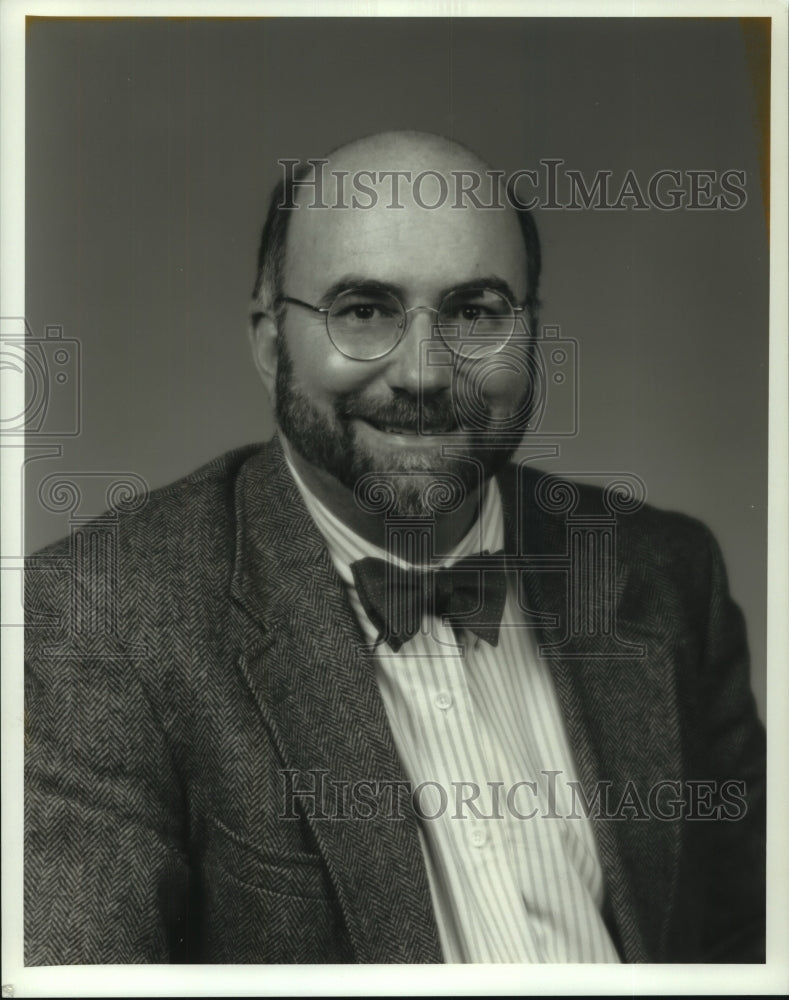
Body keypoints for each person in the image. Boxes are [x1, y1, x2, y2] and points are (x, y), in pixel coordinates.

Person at [24, 131, 766, 965]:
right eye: (363, 310)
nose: (423, 372)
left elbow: (749, 943)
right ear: (270, 342)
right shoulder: (102, 619)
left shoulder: (665, 572)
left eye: (474, 312)